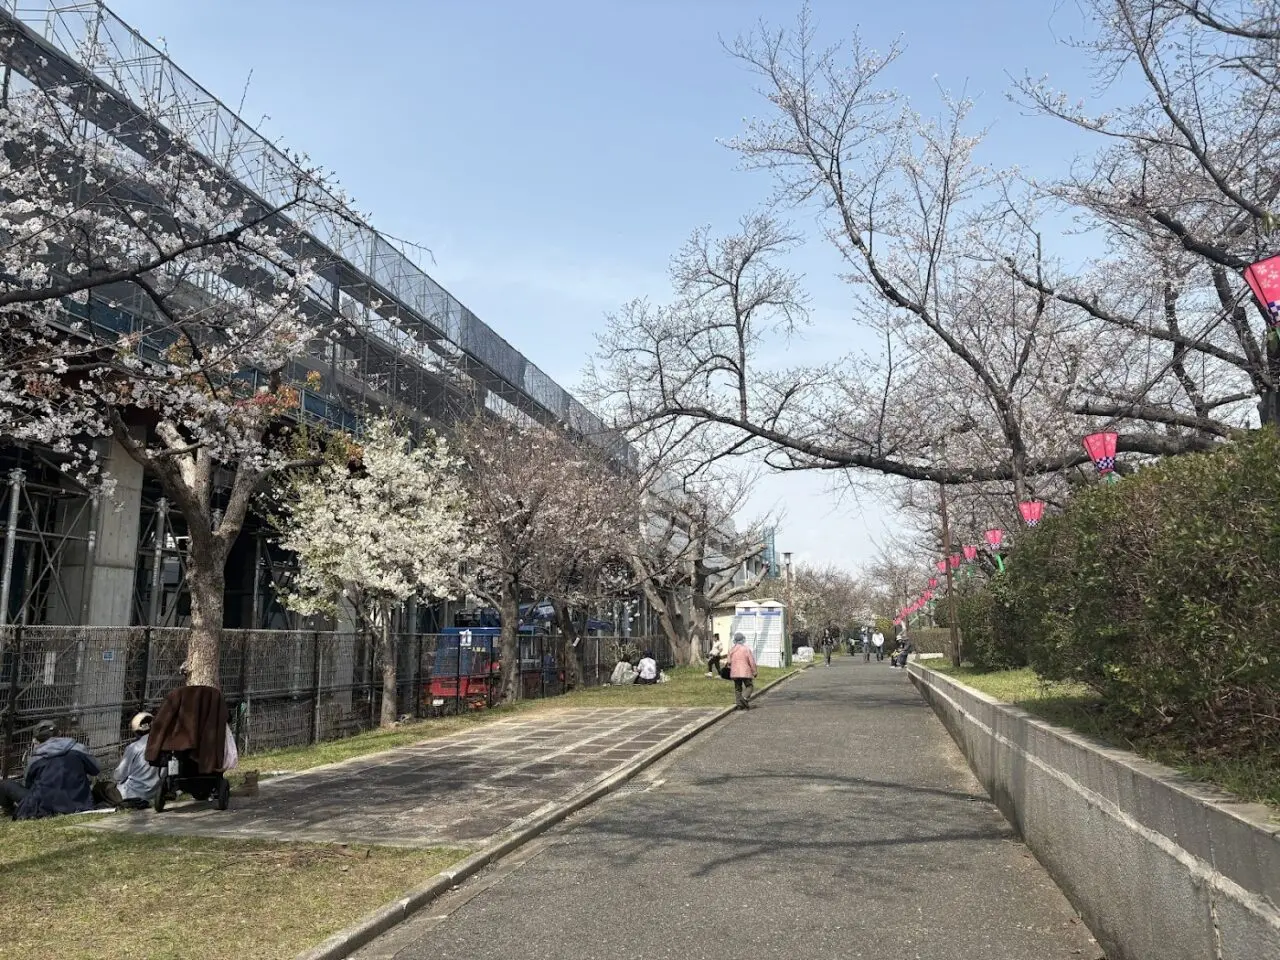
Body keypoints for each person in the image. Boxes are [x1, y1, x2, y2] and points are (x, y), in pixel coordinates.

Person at [0, 720, 100, 820]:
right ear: (60, 733)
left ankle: (10, 811)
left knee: (5, 784)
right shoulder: (78, 748)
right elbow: (96, 769)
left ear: (36, 740)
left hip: (45, 808)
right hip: (80, 804)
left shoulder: (35, 759)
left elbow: (28, 785)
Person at [114, 711, 161, 809]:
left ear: (136, 732)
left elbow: (119, 775)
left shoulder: (134, 747)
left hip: (132, 793)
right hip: (157, 792)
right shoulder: (164, 745)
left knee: (102, 788)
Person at [728, 633, 757, 710]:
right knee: (749, 686)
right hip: (745, 672)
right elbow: (751, 661)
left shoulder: (731, 650)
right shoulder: (746, 649)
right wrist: (754, 671)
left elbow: (728, 662)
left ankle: (739, 705)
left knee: (737, 688)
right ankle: (743, 698)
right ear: (742, 639)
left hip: (735, 673)